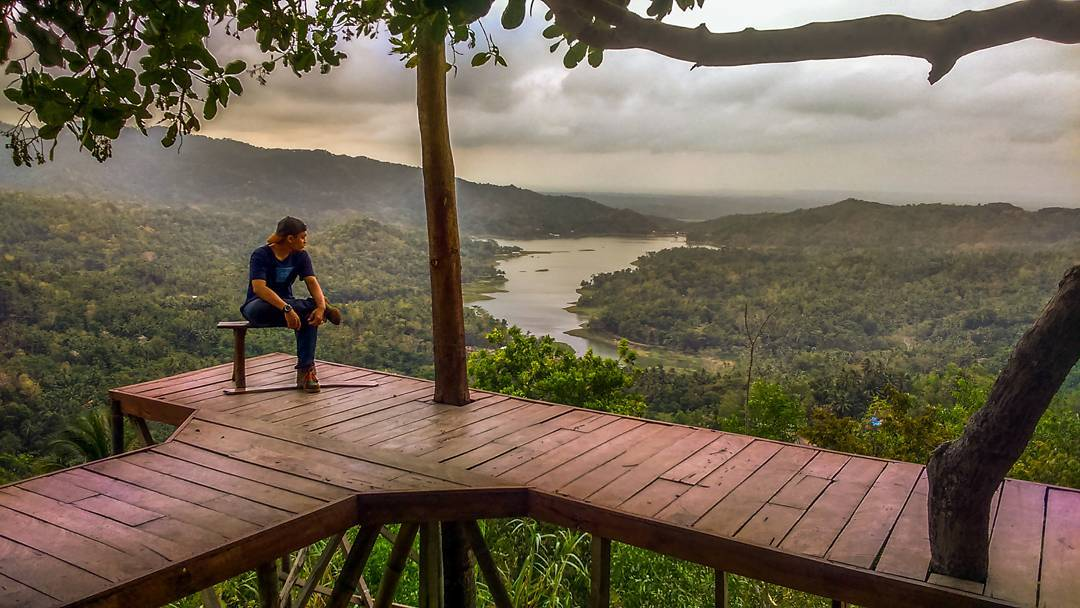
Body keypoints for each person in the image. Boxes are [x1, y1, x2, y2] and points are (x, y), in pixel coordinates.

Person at [241, 216, 341, 393]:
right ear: (290, 238)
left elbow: (311, 281)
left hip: (291, 308)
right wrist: (286, 308)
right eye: (302, 237)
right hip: (259, 306)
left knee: (310, 315)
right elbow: (259, 289)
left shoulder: (300, 256)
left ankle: (306, 370)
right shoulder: (261, 254)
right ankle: (312, 306)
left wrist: (320, 308)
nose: (305, 241)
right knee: (304, 308)